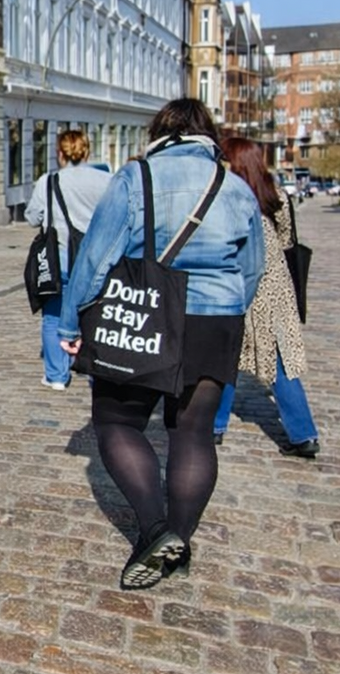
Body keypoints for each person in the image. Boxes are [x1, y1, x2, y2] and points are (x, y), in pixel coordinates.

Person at [58, 99, 264, 590]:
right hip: (216, 321)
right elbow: (252, 267)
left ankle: (153, 529)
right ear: (207, 135)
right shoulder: (233, 186)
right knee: (192, 434)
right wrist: (228, 312)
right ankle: (179, 539)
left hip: (143, 313)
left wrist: (71, 324)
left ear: (159, 132)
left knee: (117, 422)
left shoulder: (135, 178)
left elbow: (97, 256)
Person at [214, 138, 320, 459]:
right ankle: (304, 433)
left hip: (239, 280)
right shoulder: (277, 196)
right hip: (274, 284)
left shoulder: (228, 198)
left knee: (224, 356)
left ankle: (214, 426)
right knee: (280, 361)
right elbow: (287, 239)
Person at [24, 130, 112, 391]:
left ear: (60, 153)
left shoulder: (48, 181)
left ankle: (56, 376)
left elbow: (32, 217)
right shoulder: (108, 180)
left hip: (59, 257)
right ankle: (97, 370)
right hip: (96, 258)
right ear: (86, 151)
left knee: (53, 315)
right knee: (96, 315)